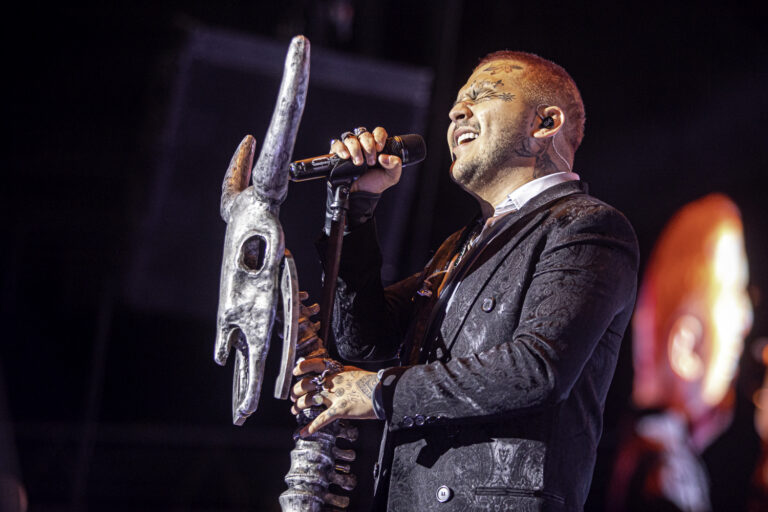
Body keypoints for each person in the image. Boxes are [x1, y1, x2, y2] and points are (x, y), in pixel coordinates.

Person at [291, 51, 639, 511]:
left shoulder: (586, 226)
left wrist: (379, 391)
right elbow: (364, 341)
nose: (457, 111)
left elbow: (536, 369)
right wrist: (358, 209)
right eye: (458, 101)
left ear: (545, 122)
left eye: (483, 95)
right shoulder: (459, 246)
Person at [606, 194, 753, 512]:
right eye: (732, 290)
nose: (746, 319)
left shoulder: (661, 451)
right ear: (684, 345)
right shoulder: (661, 472)